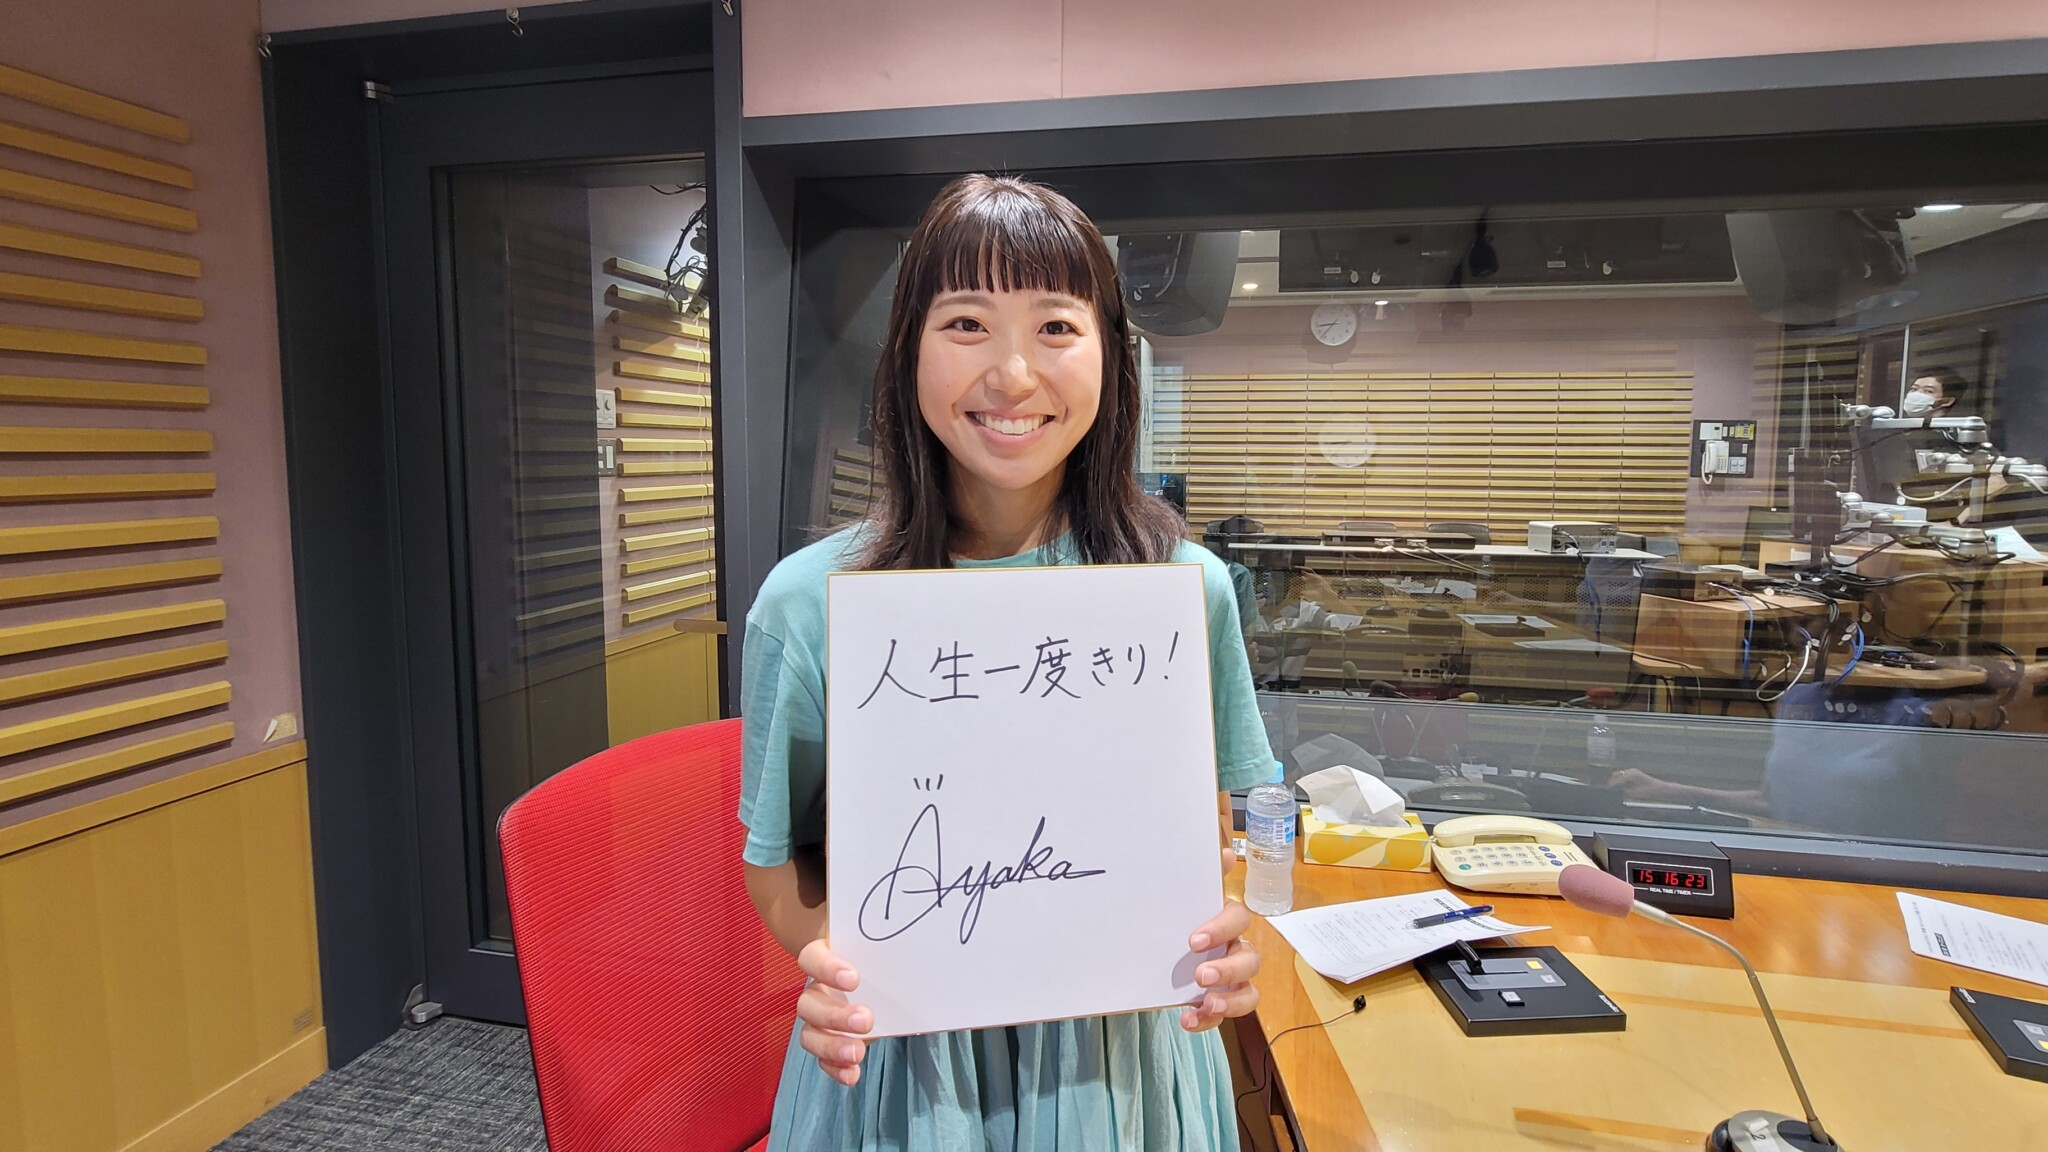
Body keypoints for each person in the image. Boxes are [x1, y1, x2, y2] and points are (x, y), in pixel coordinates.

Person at [739, 175, 1278, 1151]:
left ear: (1112, 356)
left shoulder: (1183, 590)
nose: (1014, 375)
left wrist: (1221, 939)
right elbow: (780, 865)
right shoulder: (809, 605)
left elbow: (1206, 837)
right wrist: (836, 966)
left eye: (1056, 327)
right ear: (906, 351)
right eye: (966, 324)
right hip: (908, 1069)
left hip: (1122, 1063)